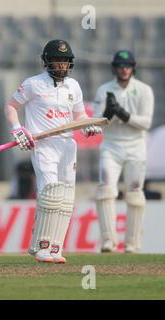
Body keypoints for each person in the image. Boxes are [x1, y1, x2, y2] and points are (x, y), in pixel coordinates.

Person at [5, 39, 102, 263]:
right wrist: (17, 129)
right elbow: (11, 107)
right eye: (57, 61)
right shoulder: (33, 84)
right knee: (50, 192)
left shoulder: (73, 86)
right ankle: (41, 246)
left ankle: (56, 247)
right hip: (43, 143)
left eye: (65, 61)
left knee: (66, 196)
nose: (61, 66)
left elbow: (79, 116)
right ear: (47, 61)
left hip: (67, 144)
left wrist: (87, 126)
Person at [93, 50, 154, 253]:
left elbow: (146, 123)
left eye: (127, 66)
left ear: (133, 68)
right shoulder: (104, 90)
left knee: (135, 193)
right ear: (114, 68)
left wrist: (123, 114)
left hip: (136, 147)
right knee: (105, 190)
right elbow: (96, 124)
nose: (124, 69)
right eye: (120, 66)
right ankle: (108, 241)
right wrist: (109, 114)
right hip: (111, 146)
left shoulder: (144, 90)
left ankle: (132, 243)